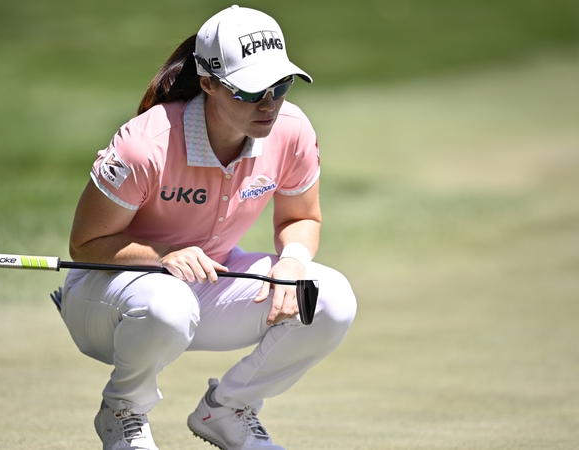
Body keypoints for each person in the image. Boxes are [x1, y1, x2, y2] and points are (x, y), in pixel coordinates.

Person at [55, 5, 356, 450]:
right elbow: (84, 244)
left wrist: (292, 261)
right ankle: (123, 412)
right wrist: (160, 256)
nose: (269, 103)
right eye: (252, 91)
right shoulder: (146, 145)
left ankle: (229, 409)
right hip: (110, 299)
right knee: (167, 302)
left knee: (328, 299)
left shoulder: (290, 130)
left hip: (207, 282)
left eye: (280, 86)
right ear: (209, 83)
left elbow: (301, 218)